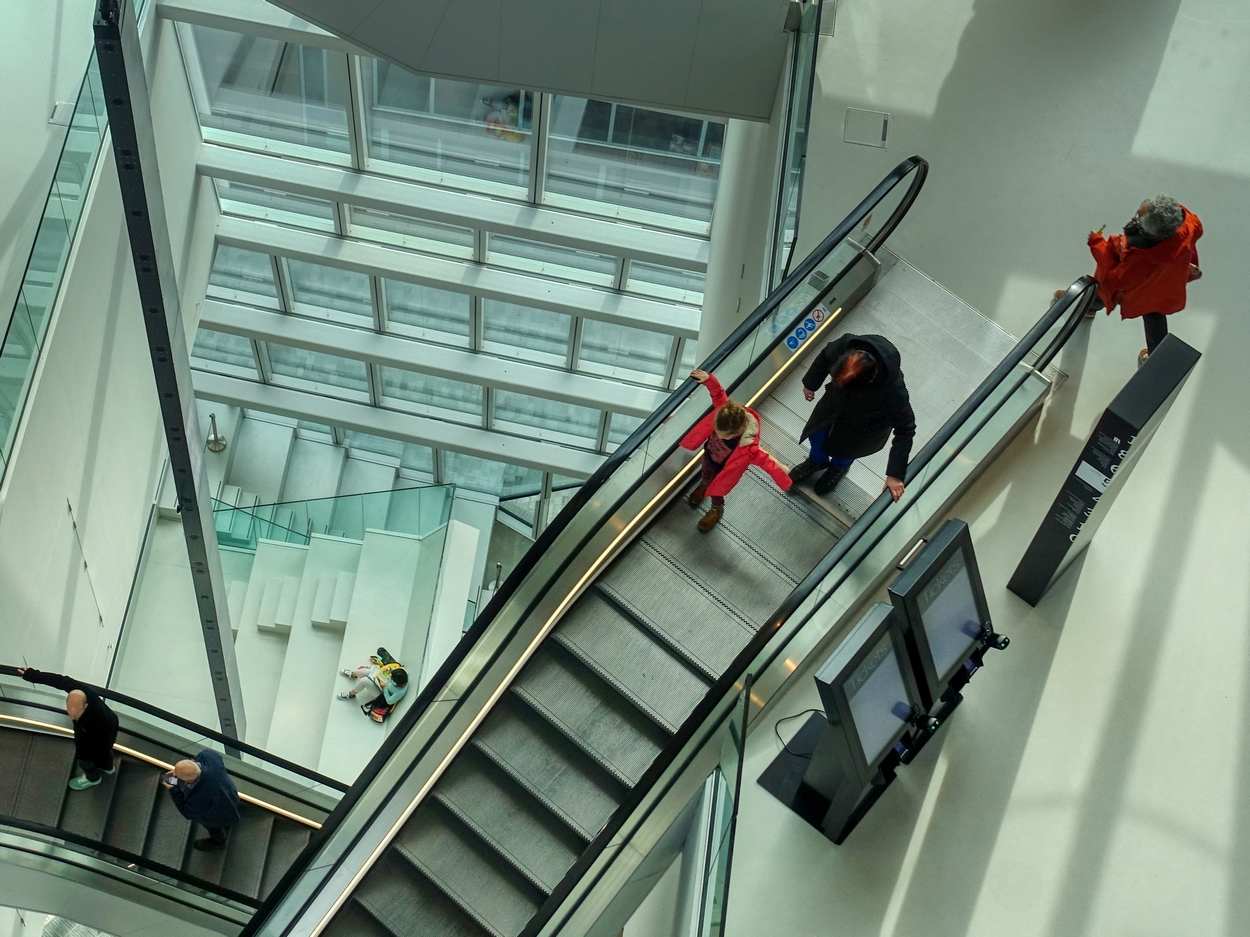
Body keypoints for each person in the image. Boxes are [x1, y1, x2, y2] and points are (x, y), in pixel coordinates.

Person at [787, 334, 916, 502]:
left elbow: (905, 430)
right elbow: (826, 356)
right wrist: (811, 383)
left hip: (862, 429)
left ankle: (838, 469)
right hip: (831, 411)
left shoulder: (893, 392)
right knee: (817, 438)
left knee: (845, 453)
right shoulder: (846, 345)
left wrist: (895, 474)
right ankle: (816, 461)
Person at [1086, 195, 1203, 367]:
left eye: (1138, 217)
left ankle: (1088, 308)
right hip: (1165, 284)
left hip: (1139, 291)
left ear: (1150, 232)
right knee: (1155, 314)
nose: (1134, 218)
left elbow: (1116, 280)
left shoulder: (1141, 258)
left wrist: (1097, 244)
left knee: (1101, 293)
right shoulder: (1190, 224)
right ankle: (1157, 361)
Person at [681, 369, 792, 531]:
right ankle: (704, 483)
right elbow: (718, 394)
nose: (717, 435)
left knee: (716, 492)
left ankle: (716, 508)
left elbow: (767, 461)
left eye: (722, 435)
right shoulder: (724, 411)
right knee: (705, 472)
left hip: (724, 472)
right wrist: (708, 379)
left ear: (736, 432)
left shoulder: (749, 448)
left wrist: (783, 475)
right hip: (710, 456)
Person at [19, 667, 119, 791]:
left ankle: (93, 778)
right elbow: (60, 681)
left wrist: (82, 755)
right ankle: (108, 767)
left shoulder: (94, 721)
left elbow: (92, 744)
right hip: (111, 723)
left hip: (102, 737)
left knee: (86, 762)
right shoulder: (79, 691)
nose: (72, 716)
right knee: (105, 754)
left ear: (86, 706)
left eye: (76, 713)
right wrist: (33, 675)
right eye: (69, 710)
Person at [163, 751, 240, 851]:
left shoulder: (198, 798)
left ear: (189, 781)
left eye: (176, 776)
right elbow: (212, 755)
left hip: (216, 816)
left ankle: (219, 843)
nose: (174, 776)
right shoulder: (210, 759)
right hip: (230, 796)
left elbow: (187, 812)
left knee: (214, 828)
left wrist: (172, 789)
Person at [338, 660, 410, 709]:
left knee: (365, 681)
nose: (390, 676)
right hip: (383, 682)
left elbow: (389, 701)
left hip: (382, 694)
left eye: (392, 678)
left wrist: (384, 688)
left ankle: (351, 694)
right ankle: (353, 674)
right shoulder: (403, 673)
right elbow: (394, 670)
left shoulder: (400, 692)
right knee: (368, 671)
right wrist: (389, 669)